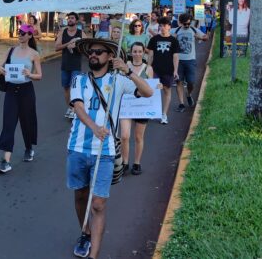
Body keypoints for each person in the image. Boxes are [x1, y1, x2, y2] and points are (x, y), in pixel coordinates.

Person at [67, 38, 153, 259]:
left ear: (109, 57)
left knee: (98, 204)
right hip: (78, 147)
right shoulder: (79, 79)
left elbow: (148, 92)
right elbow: (78, 107)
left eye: (99, 51)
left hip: (105, 152)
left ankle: (94, 255)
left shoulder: (118, 81)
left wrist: (128, 71)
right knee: (80, 196)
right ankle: (85, 233)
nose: (93, 55)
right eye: (91, 52)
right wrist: (94, 127)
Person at [0, 24, 42, 174]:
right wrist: (0, 69)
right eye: (19, 32)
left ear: (30, 35)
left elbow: (39, 75)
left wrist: (29, 74)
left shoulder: (34, 54)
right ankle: (6, 160)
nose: (20, 34)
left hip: (26, 91)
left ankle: (29, 148)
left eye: (23, 33)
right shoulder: (11, 50)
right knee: (8, 124)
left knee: (27, 123)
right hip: (11, 90)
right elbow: (0, 66)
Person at [119, 42, 153, 176]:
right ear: (130, 52)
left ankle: (137, 163)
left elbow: (151, 87)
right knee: (124, 136)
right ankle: (125, 162)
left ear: (143, 53)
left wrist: (158, 86)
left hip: (142, 107)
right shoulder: (124, 67)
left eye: (140, 51)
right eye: (135, 51)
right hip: (126, 106)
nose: (137, 54)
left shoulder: (148, 69)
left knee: (139, 137)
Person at [147, 17, 179, 125]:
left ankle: (164, 114)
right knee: (153, 90)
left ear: (169, 27)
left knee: (167, 91)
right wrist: (148, 66)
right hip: (155, 69)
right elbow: (150, 55)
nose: (162, 27)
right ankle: (153, 111)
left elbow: (175, 56)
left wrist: (175, 70)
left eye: (164, 25)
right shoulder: (154, 39)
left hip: (168, 70)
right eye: (160, 25)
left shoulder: (174, 40)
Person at [172, 13, 207, 112]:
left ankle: (188, 94)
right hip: (178, 61)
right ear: (180, 22)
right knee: (179, 81)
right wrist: (172, 38)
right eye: (185, 24)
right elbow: (164, 37)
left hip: (190, 60)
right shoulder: (175, 31)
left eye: (189, 23)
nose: (187, 25)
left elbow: (206, 37)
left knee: (191, 82)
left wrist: (200, 37)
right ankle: (181, 104)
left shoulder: (194, 30)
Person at [56, 12, 85, 120]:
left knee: (74, 87)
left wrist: (76, 46)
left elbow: (86, 47)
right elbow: (56, 47)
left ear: (76, 20)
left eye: (72, 18)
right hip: (65, 64)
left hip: (76, 65)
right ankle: (70, 107)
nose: (70, 20)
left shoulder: (81, 33)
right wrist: (68, 44)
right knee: (66, 88)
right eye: (69, 18)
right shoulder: (63, 32)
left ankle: (74, 109)